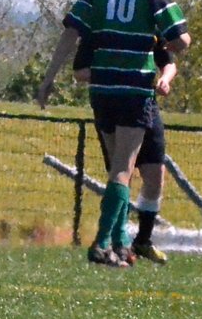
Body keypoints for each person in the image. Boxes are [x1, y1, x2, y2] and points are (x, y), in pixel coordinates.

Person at [37, 0, 189, 265]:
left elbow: (70, 34)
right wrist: (167, 43)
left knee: (118, 168)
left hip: (103, 90)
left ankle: (121, 242)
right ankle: (102, 242)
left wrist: (48, 78)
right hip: (134, 89)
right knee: (123, 168)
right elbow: (180, 40)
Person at [74, 38, 178, 263]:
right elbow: (80, 71)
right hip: (114, 103)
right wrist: (117, 75)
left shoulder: (149, 26)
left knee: (155, 175)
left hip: (146, 104)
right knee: (122, 171)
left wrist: (164, 79)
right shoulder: (102, 27)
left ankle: (142, 240)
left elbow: (168, 62)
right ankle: (116, 241)